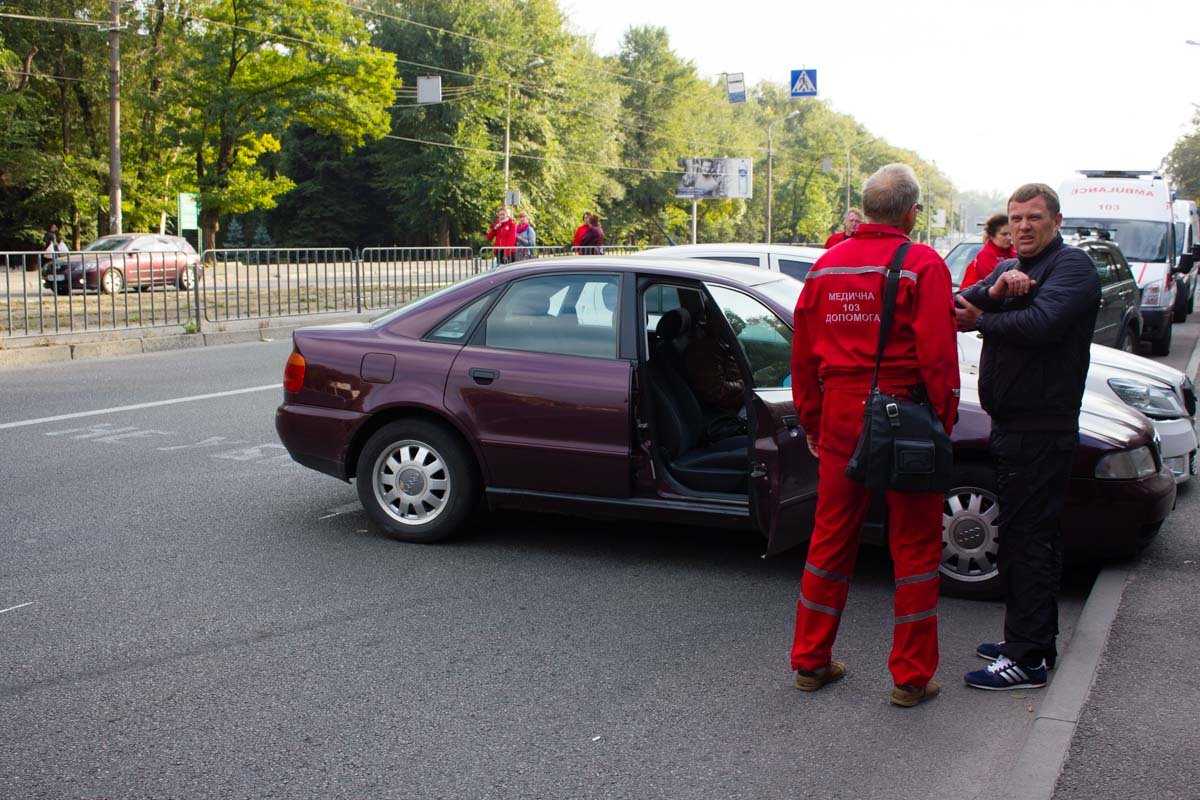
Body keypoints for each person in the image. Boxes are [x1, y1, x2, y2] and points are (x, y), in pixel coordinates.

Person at [790, 164, 959, 708]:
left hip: (842, 413)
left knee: (829, 540)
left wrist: (813, 422)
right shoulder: (923, 264)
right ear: (912, 213)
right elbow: (938, 357)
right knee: (913, 545)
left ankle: (811, 663)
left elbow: (802, 357)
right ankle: (911, 677)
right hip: (904, 413)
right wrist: (943, 424)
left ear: (863, 210)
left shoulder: (825, 267)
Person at [954, 184, 1100, 691]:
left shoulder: (1072, 267)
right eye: (1015, 218)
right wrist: (993, 293)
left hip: (1042, 429)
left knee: (1027, 541)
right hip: (1013, 426)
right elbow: (960, 305)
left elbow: (1045, 323)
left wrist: (987, 319)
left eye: (1034, 217)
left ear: (1056, 221)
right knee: (1026, 537)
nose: (1023, 226)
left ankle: (1027, 657)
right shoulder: (1009, 267)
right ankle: (1032, 638)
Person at [959, 213, 1017, 290]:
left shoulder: (1013, 251)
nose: (1009, 237)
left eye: (1010, 234)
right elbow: (994, 284)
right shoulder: (986, 255)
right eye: (1004, 234)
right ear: (992, 236)